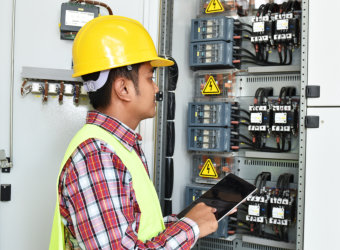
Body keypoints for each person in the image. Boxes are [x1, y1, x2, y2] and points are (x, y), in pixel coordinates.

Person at [49, 15, 218, 249]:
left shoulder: (120, 147)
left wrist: (187, 221)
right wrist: (191, 228)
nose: (156, 88)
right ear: (124, 88)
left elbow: (135, 230)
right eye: (150, 78)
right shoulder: (96, 156)